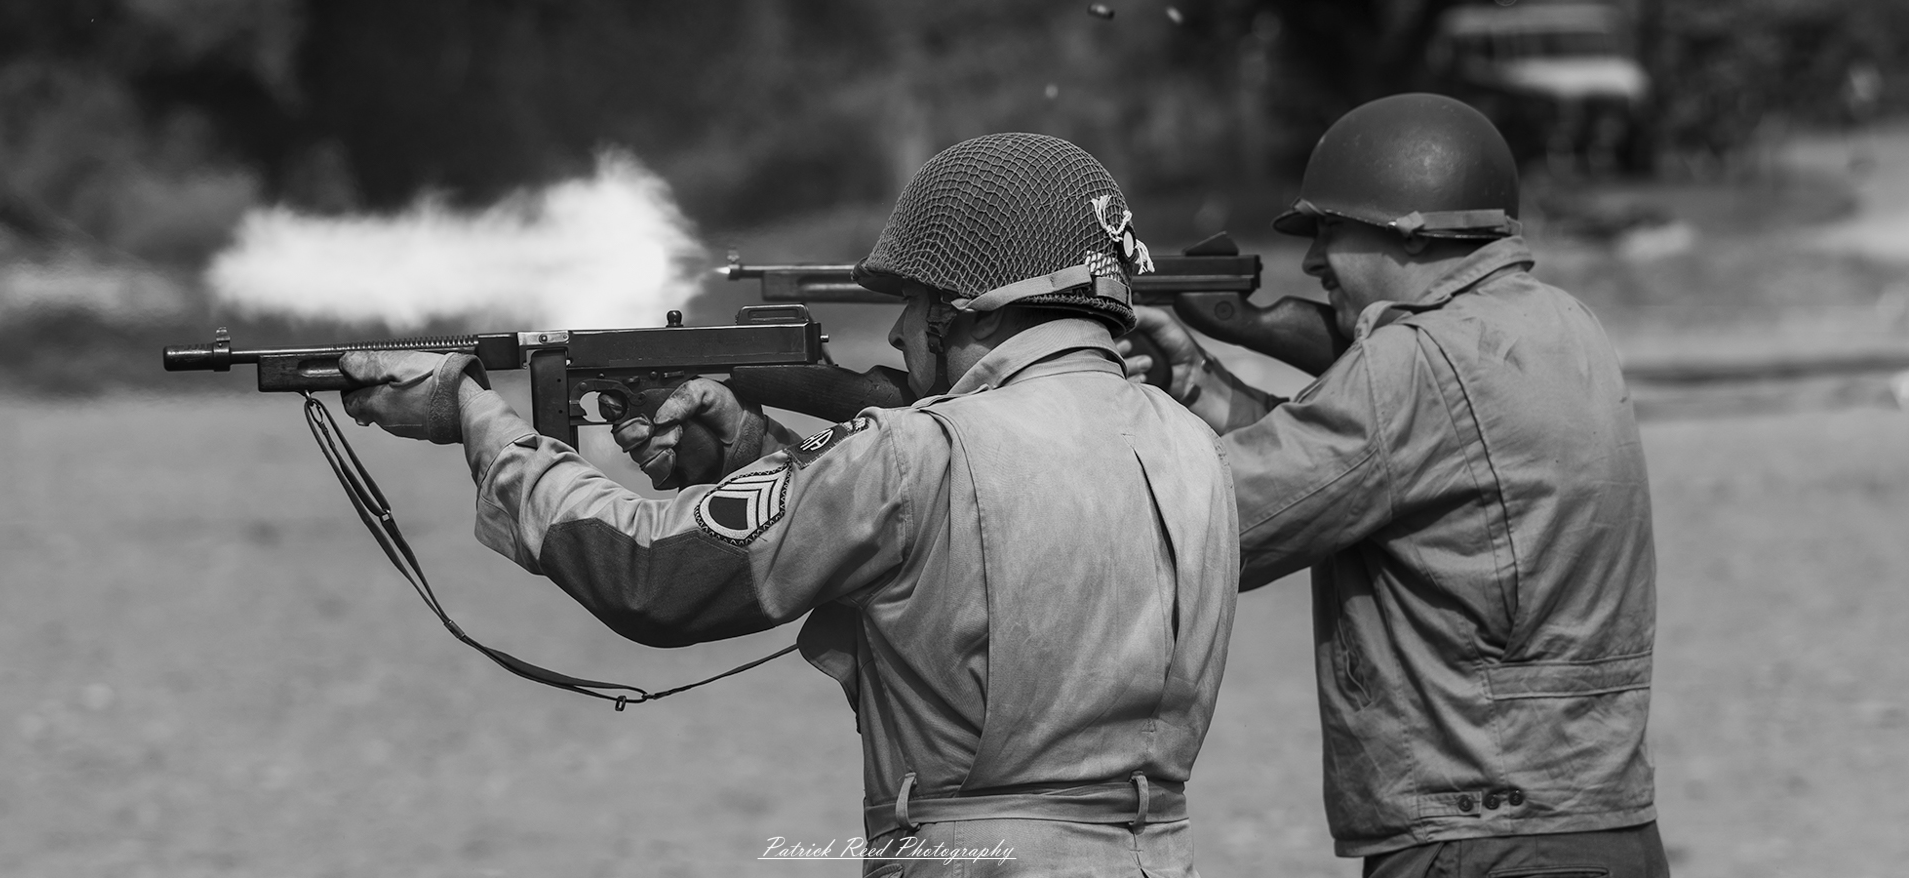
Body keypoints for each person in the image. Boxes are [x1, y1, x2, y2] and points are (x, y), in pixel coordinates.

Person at [338, 132, 1241, 876]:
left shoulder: (917, 451)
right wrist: (744, 448)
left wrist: (475, 420)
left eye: (918, 303)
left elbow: (651, 573)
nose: (897, 331)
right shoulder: (1195, 451)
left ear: (977, 305)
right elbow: (942, 549)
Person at [1122, 94, 1669, 878]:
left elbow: (1207, 525)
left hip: (1481, 840)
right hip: (1600, 823)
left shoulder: (1408, 367)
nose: (1312, 262)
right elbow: (1365, 468)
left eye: (1329, 231)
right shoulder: (1565, 325)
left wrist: (1037, 409)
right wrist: (1202, 381)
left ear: (1406, 228)